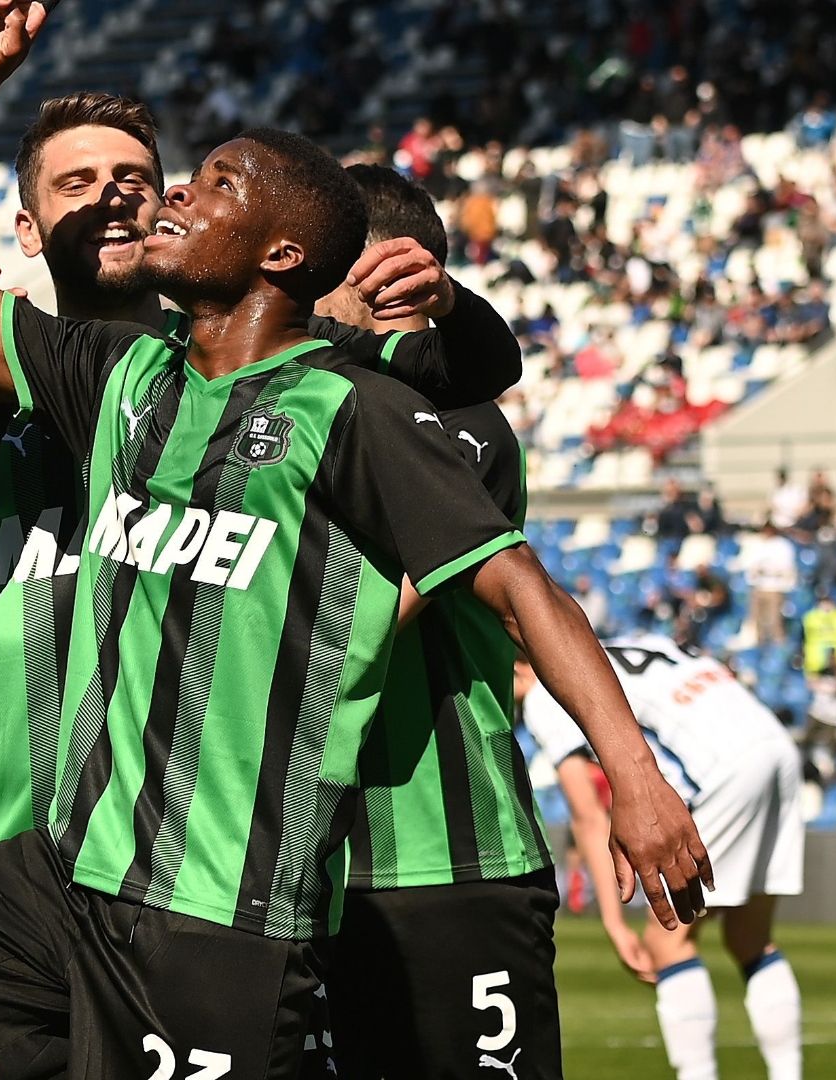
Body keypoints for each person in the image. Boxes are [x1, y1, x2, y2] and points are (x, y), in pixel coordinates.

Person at [0, 7, 707, 1079]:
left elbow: (518, 579)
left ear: (283, 251)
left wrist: (634, 775)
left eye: (212, 186)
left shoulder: (348, 411)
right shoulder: (120, 381)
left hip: (216, 900)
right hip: (65, 869)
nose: (167, 195)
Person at [0, 90, 520, 859]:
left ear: (166, 213)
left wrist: (448, 298)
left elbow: (471, 372)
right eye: (75, 184)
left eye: (133, 180)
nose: (111, 196)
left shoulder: (258, 359)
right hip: (10, 840)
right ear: (28, 229)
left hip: (192, 856)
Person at [320, 165, 561, 1078]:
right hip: (317, 861)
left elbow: (376, 614)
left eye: (314, 268)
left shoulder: (463, 423)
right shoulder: (316, 404)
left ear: (379, 272)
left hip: (447, 854)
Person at [518, 637, 805, 1080]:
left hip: (722, 770)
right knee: (750, 938)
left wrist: (614, 923)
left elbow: (589, 816)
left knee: (666, 943)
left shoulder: (546, 686)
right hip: (776, 746)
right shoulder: (636, 640)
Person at [744, 523, 797, 646]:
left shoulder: (783, 546)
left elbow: (786, 568)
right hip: (758, 587)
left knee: (775, 621)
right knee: (756, 620)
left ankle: (778, 646)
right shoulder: (757, 544)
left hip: (775, 588)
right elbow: (750, 566)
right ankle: (759, 645)